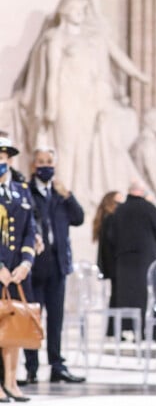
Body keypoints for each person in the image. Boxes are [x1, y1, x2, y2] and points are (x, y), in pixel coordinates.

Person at [17, 0, 148, 207]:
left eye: (85, 5)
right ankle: (63, 193)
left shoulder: (93, 38)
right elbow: (51, 76)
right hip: (66, 98)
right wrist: (50, 107)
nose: (83, 10)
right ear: (67, 7)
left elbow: (117, 57)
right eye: (78, 5)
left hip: (88, 100)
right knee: (66, 148)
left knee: (83, 150)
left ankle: (79, 196)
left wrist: (139, 75)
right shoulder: (56, 38)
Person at [21, 146, 85, 385]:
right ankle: (31, 367)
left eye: (49, 161)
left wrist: (67, 194)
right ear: (33, 165)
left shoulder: (59, 195)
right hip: (35, 267)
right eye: (40, 161)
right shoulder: (26, 192)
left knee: (55, 319)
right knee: (32, 319)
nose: (45, 165)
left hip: (57, 266)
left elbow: (79, 218)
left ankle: (57, 365)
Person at [0, 137, 36, 401]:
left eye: (5, 156)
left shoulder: (22, 192)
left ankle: (11, 381)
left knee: (13, 328)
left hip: (17, 271)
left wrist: (25, 263)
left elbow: (28, 232)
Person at [108, 179, 156, 335]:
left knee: (126, 298)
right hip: (146, 262)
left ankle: (126, 329)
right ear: (142, 192)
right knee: (147, 297)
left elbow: (111, 237)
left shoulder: (119, 211)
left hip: (123, 262)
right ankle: (149, 331)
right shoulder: (149, 208)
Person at [93, 190, 123, 336]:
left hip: (109, 263)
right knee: (116, 297)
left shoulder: (105, 218)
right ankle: (113, 329)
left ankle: (113, 329)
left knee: (115, 296)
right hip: (114, 264)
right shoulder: (111, 218)